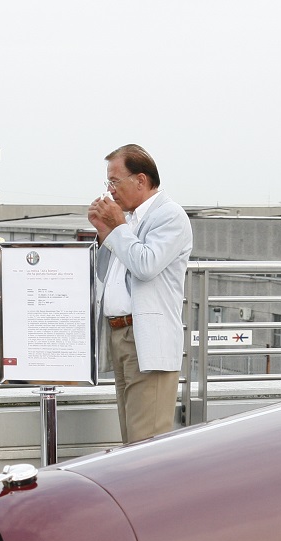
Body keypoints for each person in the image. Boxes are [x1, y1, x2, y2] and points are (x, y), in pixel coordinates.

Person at [87, 144, 191, 444]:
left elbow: (146, 265)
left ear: (141, 180)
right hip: (121, 335)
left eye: (114, 181)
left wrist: (117, 227)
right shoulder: (130, 219)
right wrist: (104, 232)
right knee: (130, 441)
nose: (110, 190)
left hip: (145, 337)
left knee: (146, 442)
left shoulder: (169, 215)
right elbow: (107, 274)